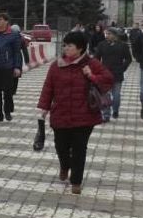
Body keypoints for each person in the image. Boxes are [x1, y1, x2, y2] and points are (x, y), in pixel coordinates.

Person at [36, 31, 114, 194]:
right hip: (60, 113)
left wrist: (91, 76)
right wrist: (43, 108)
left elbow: (108, 80)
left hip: (84, 115)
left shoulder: (91, 64)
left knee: (79, 148)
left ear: (80, 48)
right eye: (65, 45)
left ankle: (76, 181)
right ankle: (65, 166)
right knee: (61, 147)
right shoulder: (56, 65)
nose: (65, 48)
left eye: (69, 46)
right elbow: (48, 87)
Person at [93, 27, 132, 121]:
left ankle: (115, 110)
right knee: (105, 95)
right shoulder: (102, 44)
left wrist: (123, 68)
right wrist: (98, 69)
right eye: (106, 34)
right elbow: (96, 58)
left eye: (109, 34)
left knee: (116, 95)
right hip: (105, 74)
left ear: (115, 35)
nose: (107, 36)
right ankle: (106, 115)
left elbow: (128, 59)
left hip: (117, 73)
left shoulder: (122, 45)